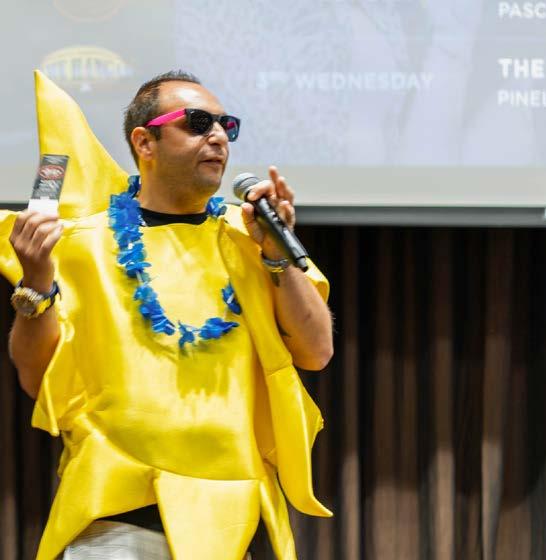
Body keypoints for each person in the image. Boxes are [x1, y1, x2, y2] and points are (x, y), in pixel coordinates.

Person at [0, 70, 333, 560]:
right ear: (145, 142)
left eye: (226, 126)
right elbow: (37, 378)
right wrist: (35, 282)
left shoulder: (250, 239)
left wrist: (277, 255)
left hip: (230, 519)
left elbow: (316, 351)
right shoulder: (84, 243)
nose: (218, 136)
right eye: (197, 122)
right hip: (117, 519)